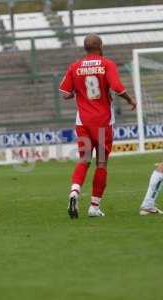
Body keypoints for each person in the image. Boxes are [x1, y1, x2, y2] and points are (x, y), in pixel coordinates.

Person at [59, 34, 136, 218]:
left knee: (84, 159)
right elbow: (117, 87)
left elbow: (64, 93)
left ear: (85, 48)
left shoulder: (75, 66)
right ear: (100, 46)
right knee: (101, 163)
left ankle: (74, 191)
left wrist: (77, 92)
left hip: (83, 122)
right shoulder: (106, 64)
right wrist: (129, 99)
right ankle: (94, 206)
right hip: (102, 122)